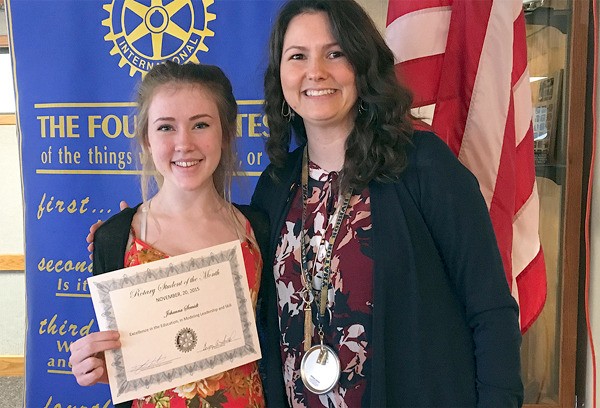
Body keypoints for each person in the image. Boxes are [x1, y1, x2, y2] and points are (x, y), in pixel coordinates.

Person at [87, 0, 524, 406]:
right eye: (297, 56)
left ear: (362, 63)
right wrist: (136, 253)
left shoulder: (424, 166)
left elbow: (490, 310)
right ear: (281, 74)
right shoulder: (275, 187)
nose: (315, 72)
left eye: (334, 54)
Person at [70, 61, 286, 408]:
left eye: (200, 124)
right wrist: (97, 364)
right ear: (146, 139)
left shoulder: (259, 228)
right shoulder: (115, 238)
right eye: (166, 127)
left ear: (227, 132)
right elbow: (123, 360)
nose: (184, 143)